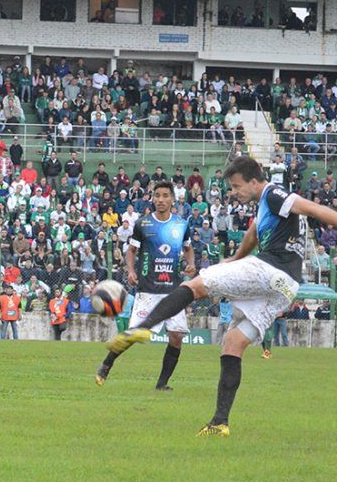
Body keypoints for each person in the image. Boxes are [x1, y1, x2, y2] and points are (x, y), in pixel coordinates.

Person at [101, 156, 337, 437]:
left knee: (196, 284)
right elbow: (251, 235)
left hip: (270, 269)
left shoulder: (273, 193)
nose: (234, 192)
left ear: (253, 180)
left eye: (237, 186)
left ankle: (140, 329)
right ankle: (219, 423)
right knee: (232, 343)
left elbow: (313, 209)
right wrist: (234, 260)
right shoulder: (266, 208)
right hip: (285, 289)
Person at [95, 181, 195, 390]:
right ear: (152, 198)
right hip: (148, 290)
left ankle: (162, 384)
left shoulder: (181, 224)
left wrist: (192, 264)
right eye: (156, 195)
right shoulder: (143, 224)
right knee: (136, 334)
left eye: (165, 195)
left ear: (172, 199)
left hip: (174, 290)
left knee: (176, 336)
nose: (160, 199)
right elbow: (131, 251)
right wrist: (131, 270)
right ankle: (107, 364)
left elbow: (187, 248)